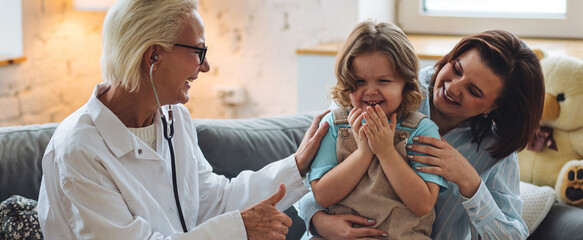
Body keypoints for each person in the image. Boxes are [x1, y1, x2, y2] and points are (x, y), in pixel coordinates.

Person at [37, 0, 329, 239]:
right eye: (198, 51)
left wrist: (297, 164)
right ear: (153, 56)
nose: (206, 66)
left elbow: (214, 201)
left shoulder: (174, 117)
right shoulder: (78, 151)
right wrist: (238, 230)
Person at [299, 29, 545, 240]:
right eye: (456, 69)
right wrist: (318, 220)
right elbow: (303, 176)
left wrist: (470, 183)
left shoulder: (495, 151)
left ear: (494, 106)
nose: (453, 87)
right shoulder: (384, 88)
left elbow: (513, 235)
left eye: (474, 91)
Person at [307, 21, 447, 240]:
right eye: (359, 82)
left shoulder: (422, 129)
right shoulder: (334, 124)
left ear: (405, 84)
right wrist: (364, 152)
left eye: (384, 81)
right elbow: (322, 195)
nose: (370, 91)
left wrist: (385, 151)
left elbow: (423, 204)